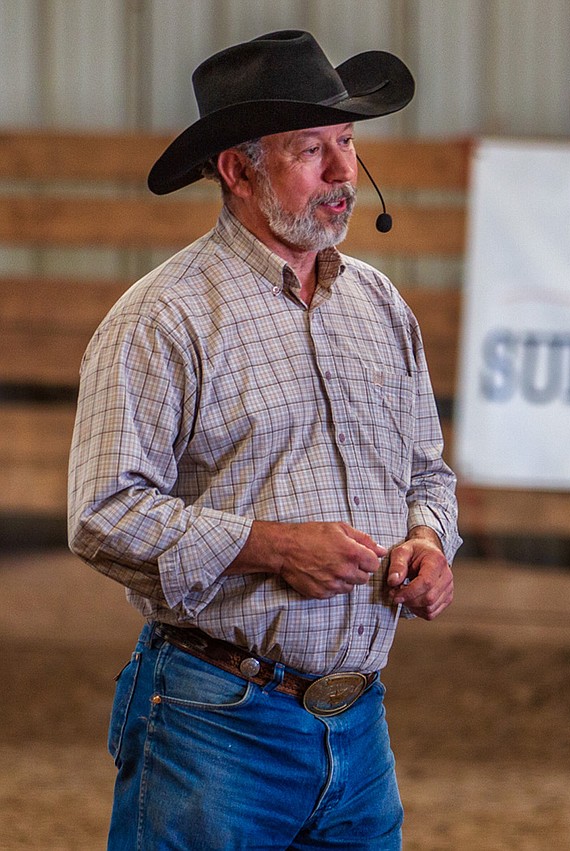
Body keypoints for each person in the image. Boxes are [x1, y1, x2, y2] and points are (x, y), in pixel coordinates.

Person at [67, 30, 461, 849]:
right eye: (311, 149)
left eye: (347, 144)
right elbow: (103, 512)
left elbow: (428, 469)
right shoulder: (162, 317)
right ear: (238, 171)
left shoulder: (380, 308)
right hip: (213, 723)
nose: (344, 172)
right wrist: (273, 547)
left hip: (357, 726)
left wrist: (428, 539)